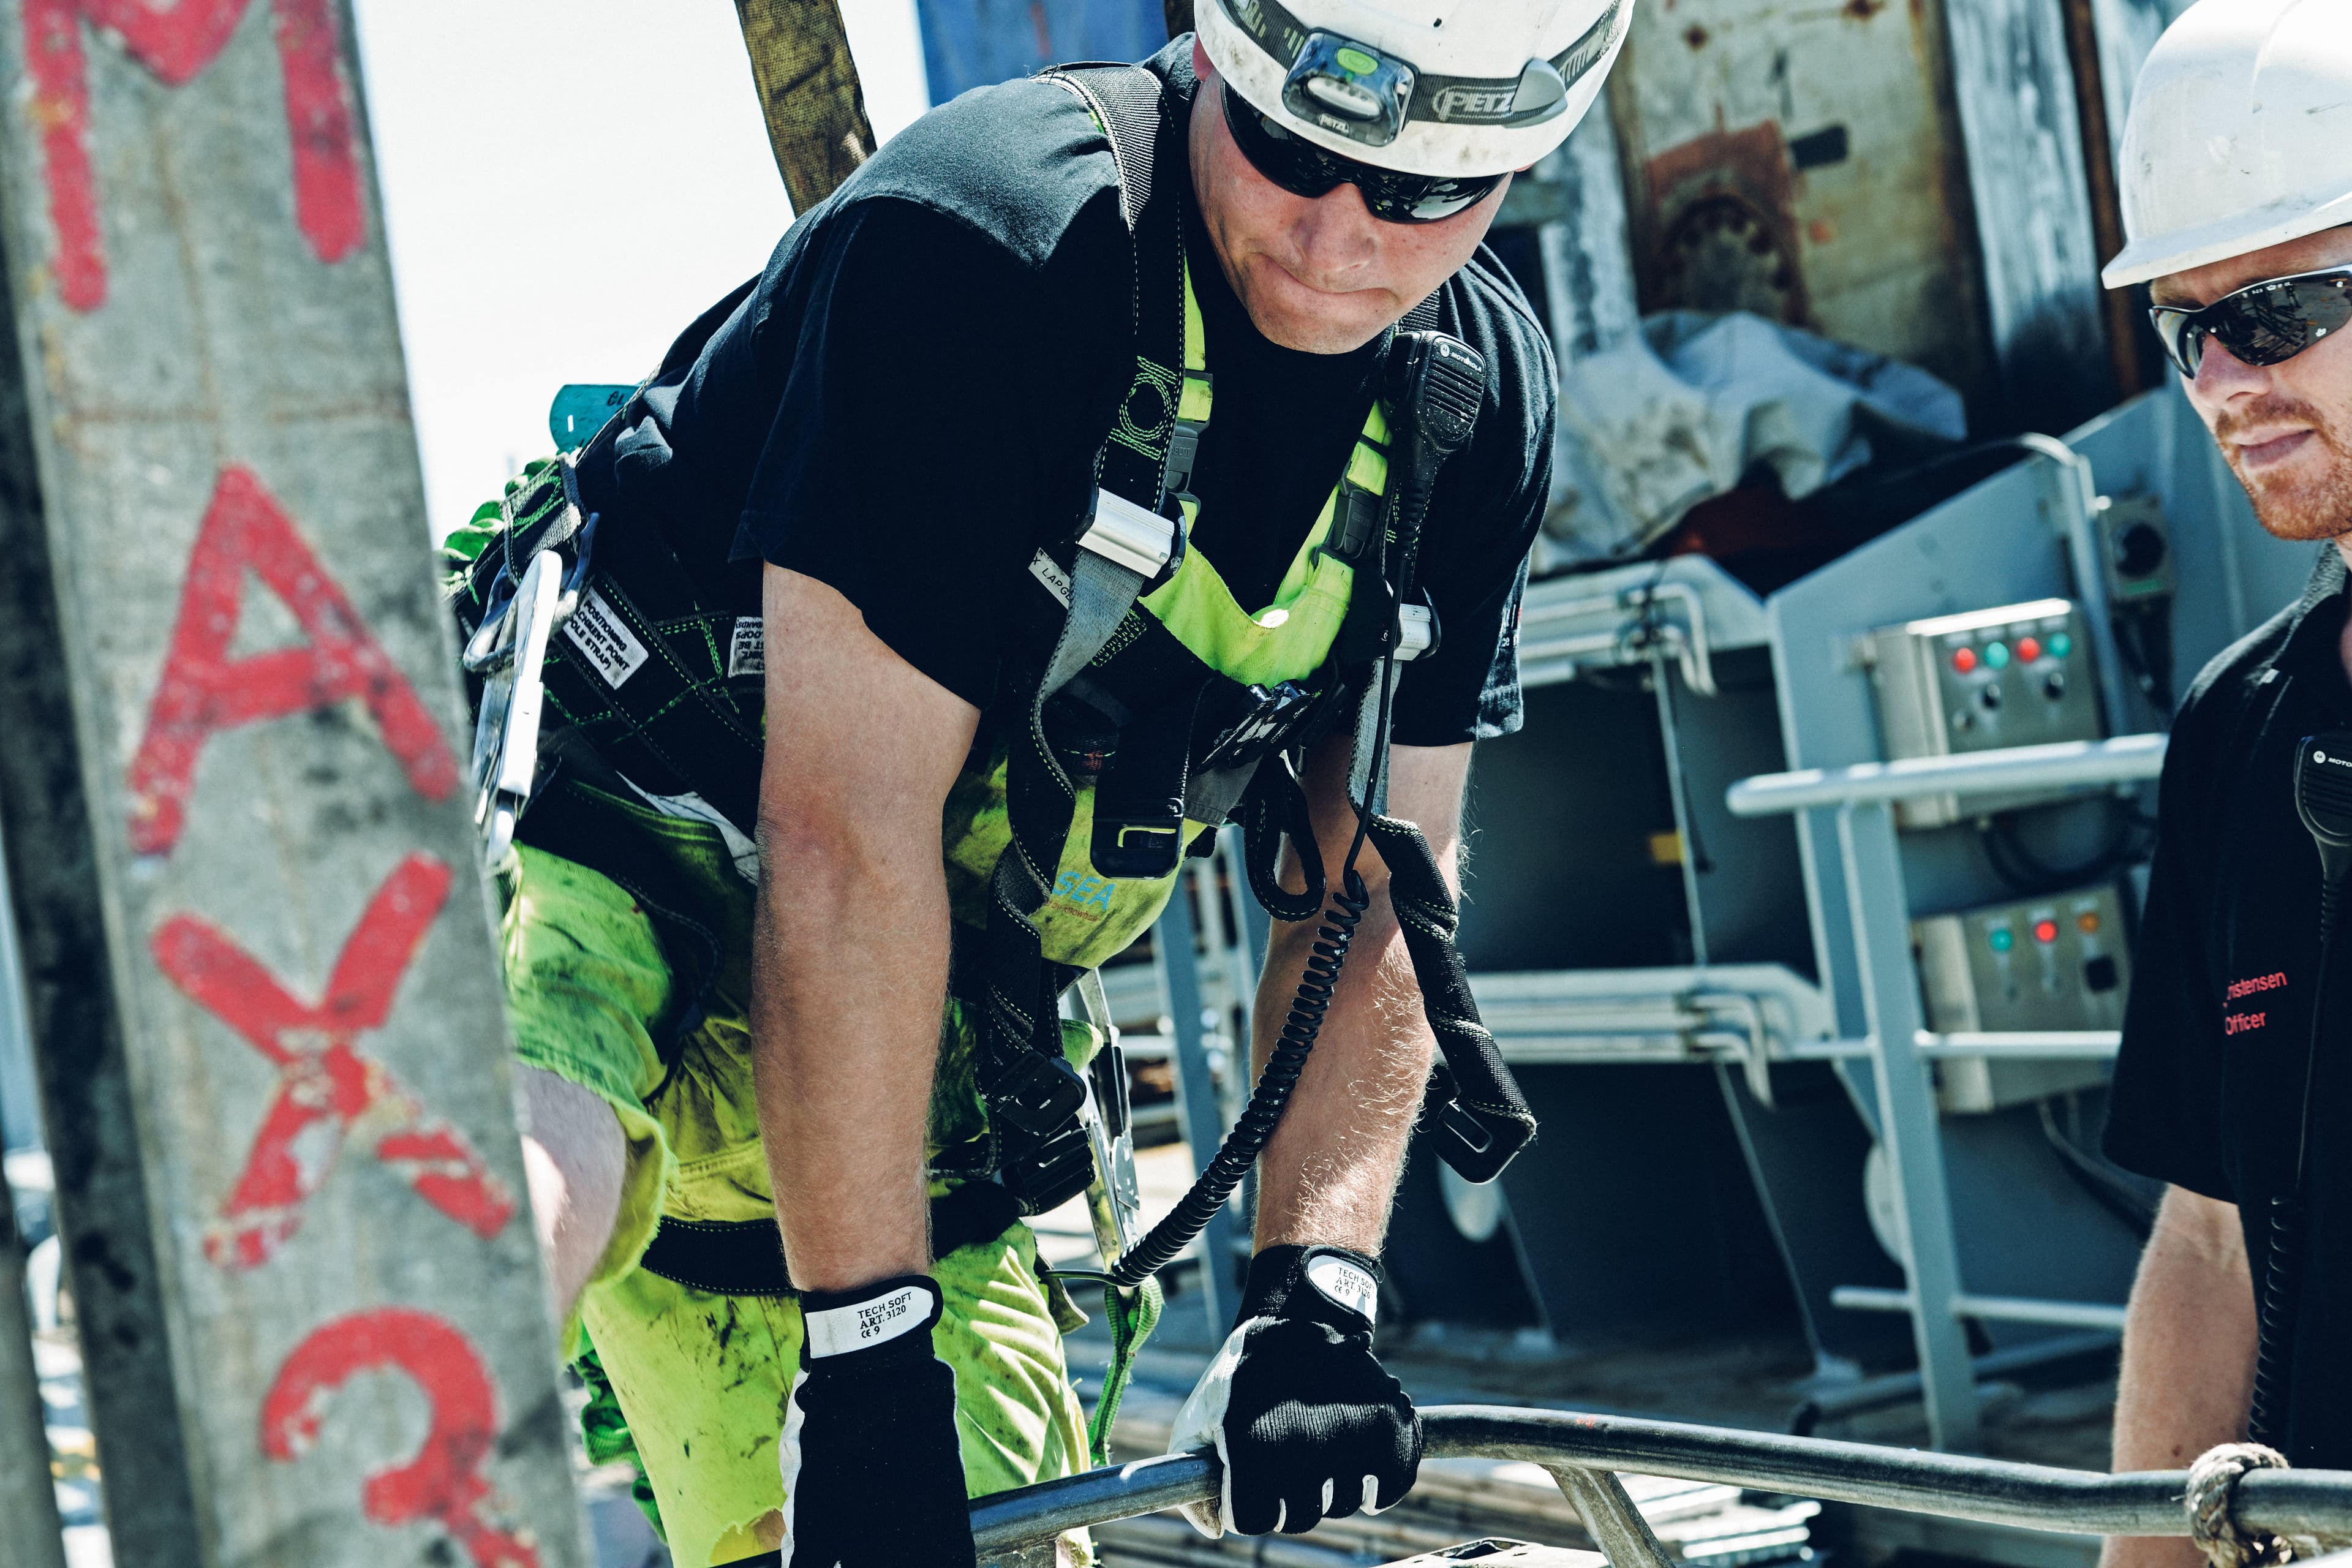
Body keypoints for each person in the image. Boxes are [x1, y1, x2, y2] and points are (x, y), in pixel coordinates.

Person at [448, 0, 1629, 1561]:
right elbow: (841, 834)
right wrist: (867, 1372)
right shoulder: (994, 242)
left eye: (1425, 194)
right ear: (1219, 59)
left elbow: (1377, 881)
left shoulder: (1467, 407)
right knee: (509, 1163)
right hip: (623, 842)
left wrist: (1312, 1297)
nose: (1344, 233)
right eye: (1297, 151)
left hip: (912, 1026)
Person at [2096, 3, 2352, 1562]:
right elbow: (2207, 1235)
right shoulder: (2239, 731)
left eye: (2280, 310)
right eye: (2187, 328)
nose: (2221, 379)